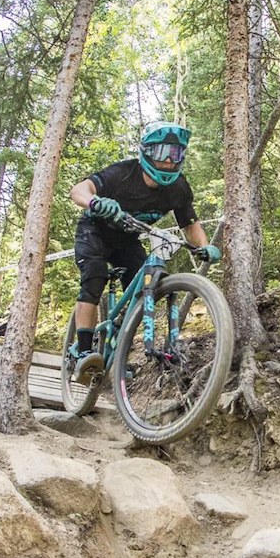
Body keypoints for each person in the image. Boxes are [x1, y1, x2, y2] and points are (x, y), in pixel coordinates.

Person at [66, 121, 221, 376]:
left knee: (141, 294)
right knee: (94, 277)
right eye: (163, 153)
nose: (170, 161)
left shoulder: (179, 187)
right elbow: (79, 190)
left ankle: (118, 353)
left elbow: (190, 224)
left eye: (177, 154)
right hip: (94, 231)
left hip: (127, 240)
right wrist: (95, 202)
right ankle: (83, 351)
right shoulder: (123, 173)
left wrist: (205, 247)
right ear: (147, 152)